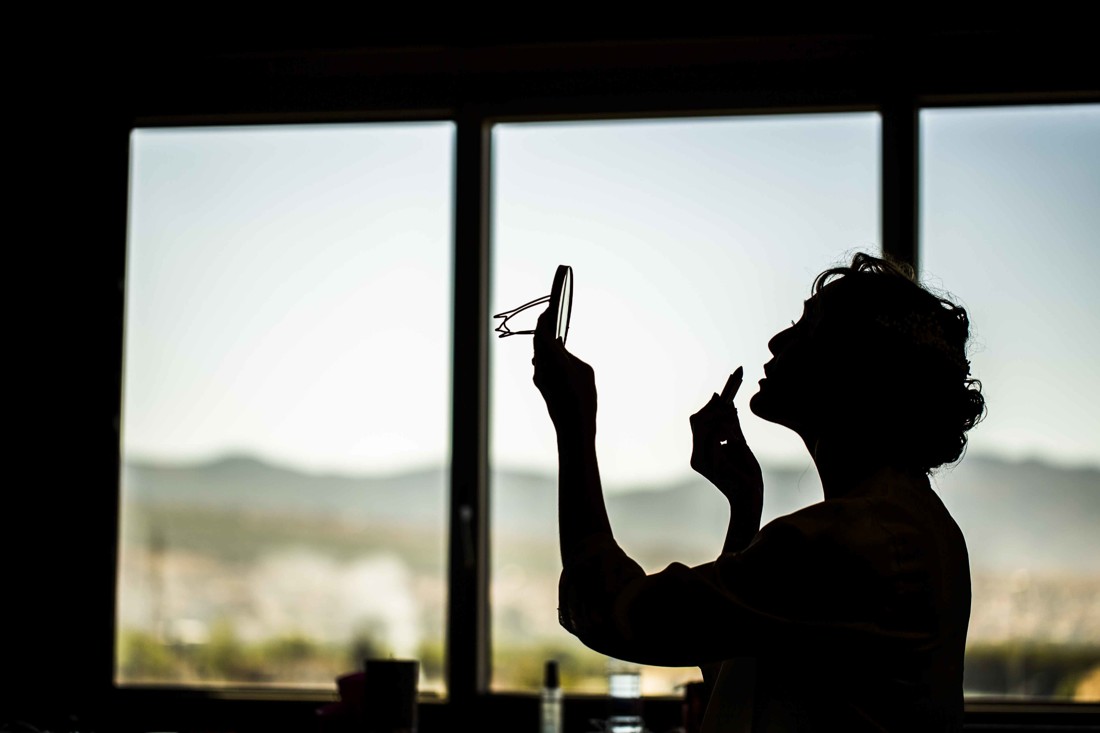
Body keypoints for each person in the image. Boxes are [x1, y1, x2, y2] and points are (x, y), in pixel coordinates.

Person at [531, 253, 984, 732]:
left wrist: (573, 424)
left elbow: (615, 611)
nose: (777, 340)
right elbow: (731, 655)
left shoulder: (853, 542)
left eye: (807, 329)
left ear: (856, 372)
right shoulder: (915, 525)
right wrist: (744, 510)